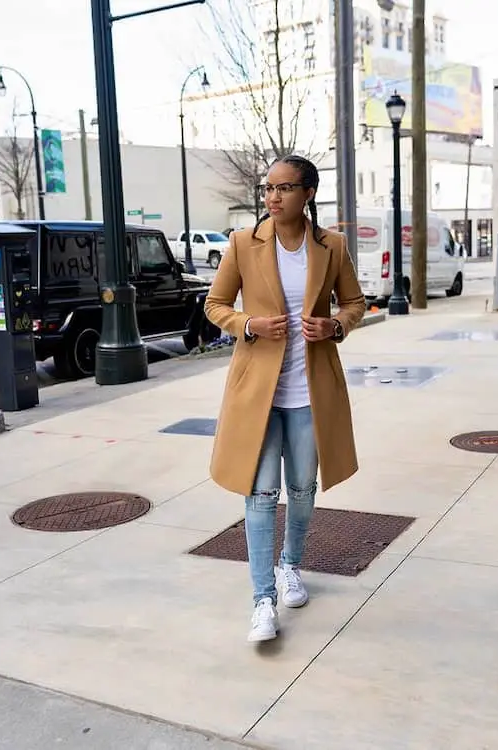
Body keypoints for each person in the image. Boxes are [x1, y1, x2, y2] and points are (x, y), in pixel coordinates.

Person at [205, 155, 365, 643]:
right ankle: (261, 601)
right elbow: (215, 305)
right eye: (267, 188)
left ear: (308, 193)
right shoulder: (242, 243)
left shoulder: (331, 247)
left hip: (309, 391)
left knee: (300, 487)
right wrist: (248, 325)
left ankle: (290, 565)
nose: (272, 197)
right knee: (259, 494)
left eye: (284, 188)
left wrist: (335, 325)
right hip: (257, 392)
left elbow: (355, 303)